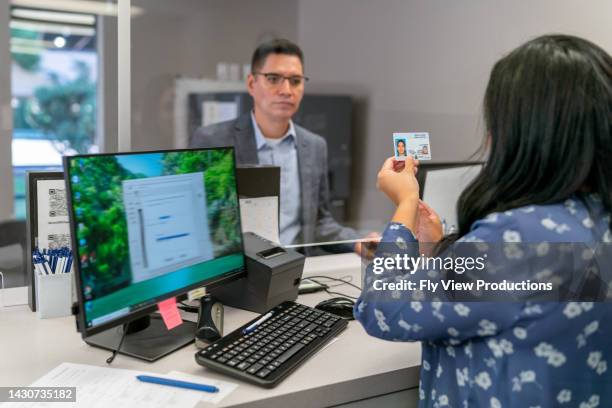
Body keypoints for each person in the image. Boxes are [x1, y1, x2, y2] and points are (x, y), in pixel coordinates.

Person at [355, 34, 612, 407]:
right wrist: (444, 255)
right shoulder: (592, 222)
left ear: (524, 131)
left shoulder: (517, 241)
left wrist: (405, 202)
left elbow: (381, 307)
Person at [191, 38, 370, 252]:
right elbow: (201, 222)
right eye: (273, 78)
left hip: (298, 271)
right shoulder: (213, 140)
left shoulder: (314, 147)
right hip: (239, 275)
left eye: (295, 80)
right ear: (251, 84)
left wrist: (359, 242)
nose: (286, 90)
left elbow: (320, 222)